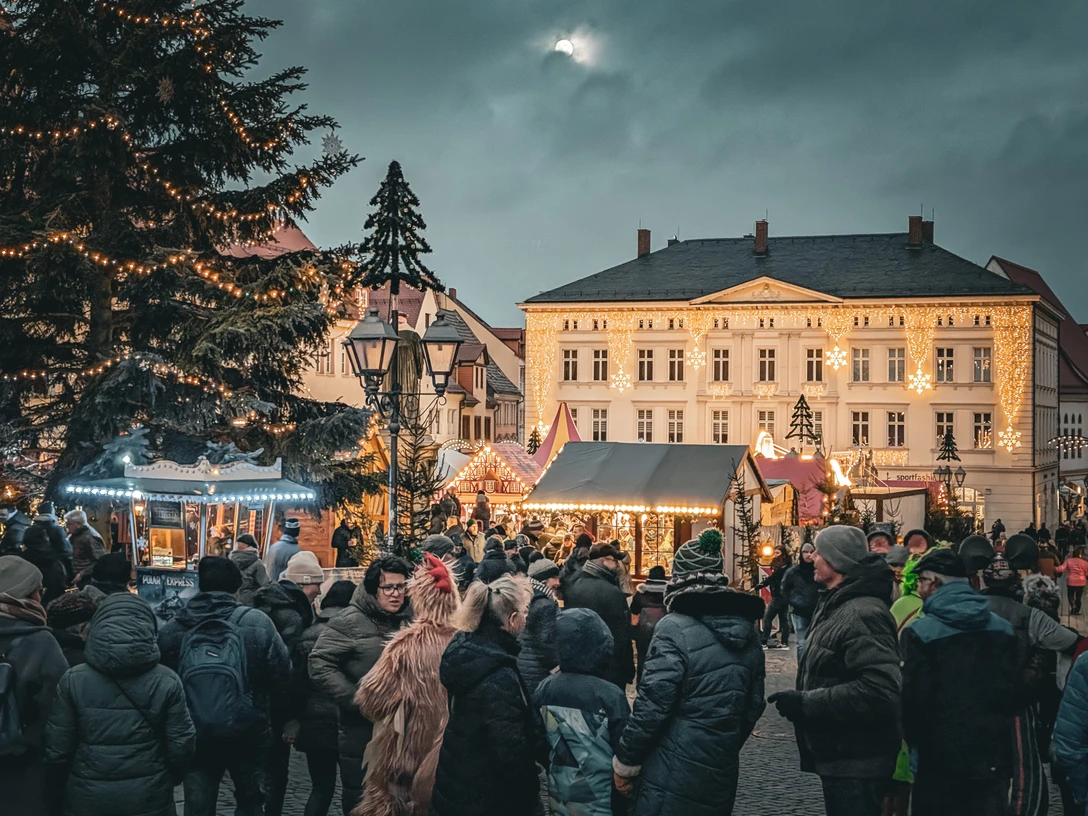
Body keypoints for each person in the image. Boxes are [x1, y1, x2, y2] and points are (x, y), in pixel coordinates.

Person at [613, 530, 765, 816]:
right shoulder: (748, 629)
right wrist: (725, 741)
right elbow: (753, 704)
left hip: (671, 765)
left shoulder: (673, 628)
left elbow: (652, 706)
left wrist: (626, 761)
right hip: (722, 763)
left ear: (678, 579)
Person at [767, 526, 901, 816]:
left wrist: (806, 703)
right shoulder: (835, 604)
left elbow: (880, 691)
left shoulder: (862, 613)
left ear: (836, 561)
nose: (812, 557)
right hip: (845, 756)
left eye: (819, 552)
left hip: (859, 760)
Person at [158, 556, 291, 816]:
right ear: (236, 586)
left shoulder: (174, 627)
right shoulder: (257, 622)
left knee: (198, 802)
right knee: (252, 800)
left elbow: (164, 680)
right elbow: (282, 676)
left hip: (195, 730)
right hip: (249, 730)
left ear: (200, 585)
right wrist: (279, 723)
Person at [43, 593, 196, 816]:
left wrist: (64, 785)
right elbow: (182, 743)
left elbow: (58, 749)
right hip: (149, 795)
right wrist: (168, 778)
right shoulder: (167, 680)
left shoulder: (73, 679)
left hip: (87, 795)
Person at [899, 549, 1019, 815]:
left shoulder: (920, 632)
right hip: (991, 758)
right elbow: (1012, 693)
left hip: (936, 761)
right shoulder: (1002, 628)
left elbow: (913, 701)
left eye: (920, 582)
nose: (918, 590)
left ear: (935, 583)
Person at [430, 574, 548, 816]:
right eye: (525, 611)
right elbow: (509, 751)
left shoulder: (467, 649)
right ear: (513, 619)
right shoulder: (497, 673)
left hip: (456, 780)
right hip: (487, 797)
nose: (528, 617)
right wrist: (530, 796)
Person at [354, 554, 461, 816]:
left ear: (418, 596)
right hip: (454, 753)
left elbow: (370, 699)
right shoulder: (465, 641)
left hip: (408, 753)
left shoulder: (406, 646)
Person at [308, 555, 414, 816]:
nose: (395, 594)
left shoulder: (411, 621)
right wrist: (357, 699)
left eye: (401, 587)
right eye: (388, 587)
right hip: (361, 732)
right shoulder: (349, 621)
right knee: (363, 800)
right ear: (372, 589)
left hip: (407, 732)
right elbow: (319, 662)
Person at [982, 551, 1078, 816]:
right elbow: (1069, 641)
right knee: (1024, 770)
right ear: (1014, 579)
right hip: (1017, 705)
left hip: (972, 704)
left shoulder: (965, 608)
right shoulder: (1028, 616)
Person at [536, 608, 630, 816]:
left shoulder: (545, 688)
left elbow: (537, 739)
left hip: (559, 790)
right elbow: (624, 743)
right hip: (602, 795)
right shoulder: (610, 695)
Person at [0, 556, 69, 816]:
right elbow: (57, 708)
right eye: (39, 590)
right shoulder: (40, 642)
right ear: (27, 593)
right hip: (25, 766)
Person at [259, 550, 322, 816]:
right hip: (275, 709)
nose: (319, 591)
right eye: (316, 584)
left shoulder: (265, 604)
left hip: (255, 705)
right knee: (275, 774)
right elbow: (290, 672)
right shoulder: (293, 617)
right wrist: (292, 717)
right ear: (304, 583)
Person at [285, 580, 356, 816]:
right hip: (349, 722)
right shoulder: (357, 637)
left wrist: (294, 720)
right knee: (354, 790)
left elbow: (296, 685)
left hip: (315, 723)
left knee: (320, 788)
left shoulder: (308, 635)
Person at [561, 541, 634, 690]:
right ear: (603, 561)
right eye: (614, 561)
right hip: (608, 668)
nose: (618, 566)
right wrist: (627, 670)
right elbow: (622, 636)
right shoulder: (612, 593)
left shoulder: (572, 583)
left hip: (577, 665)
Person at [518, 557, 561, 693]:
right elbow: (546, 642)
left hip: (522, 663)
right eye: (554, 577)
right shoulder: (546, 605)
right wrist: (555, 667)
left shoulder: (525, 598)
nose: (558, 582)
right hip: (537, 669)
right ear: (544, 579)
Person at [21, 501, 72, 603]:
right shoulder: (57, 529)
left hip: (33, 569)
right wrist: (70, 574)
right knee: (53, 599)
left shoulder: (30, 530)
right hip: (53, 570)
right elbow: (66, 551)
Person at [781, 542, 820, 661]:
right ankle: (802, 671)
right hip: (799, 612)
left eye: (810, 552)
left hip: (817, 611)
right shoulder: (794, 572)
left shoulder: (819, 570)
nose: (808, 555)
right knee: (802, 644)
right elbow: (784, 588)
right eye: (805, 552)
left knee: (817, 644)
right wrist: (794, 601)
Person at [630, 564, 667, 682]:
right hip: (664, 632)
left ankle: (642, 682)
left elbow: (634, 613)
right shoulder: (668, 595)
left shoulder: (641, 594)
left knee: (643, 659)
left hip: (644, 633)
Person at [757, 543, 792, 650]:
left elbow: (773, 578)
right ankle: (784, 643)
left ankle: (763, 642)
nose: (775, 555)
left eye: (777, 553)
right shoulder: (787, 566)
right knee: (783, 619)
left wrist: (761, 585)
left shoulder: (782, 567)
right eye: (775, 552)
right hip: (785, 597)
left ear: (783, 554)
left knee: (768, 618)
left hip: (778, 596)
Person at [65, 509, 106, 585]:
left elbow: (101, 560)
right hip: (79, 577)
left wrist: (82, 574)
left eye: (70, 524)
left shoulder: (91, 537)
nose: (67, 527)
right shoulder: (75, 535)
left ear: (78, 524)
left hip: (89, 579)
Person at [230, 533, 270, 606]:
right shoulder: (257, 564)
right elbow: (265, 585)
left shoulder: (230, 561)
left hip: (232, 600)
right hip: (250, 602)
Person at [1057, 546, 1088, 614]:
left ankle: (1073, 606)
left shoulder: (1069, 561)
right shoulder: (1084, 562)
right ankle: (1077, 610)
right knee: (1079, 597)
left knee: (1070, 595)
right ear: (1080, 555)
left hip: (1071, 581)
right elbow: (1086, 573)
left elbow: (1061, 568)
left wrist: (1053, 568)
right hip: (1081, 582)